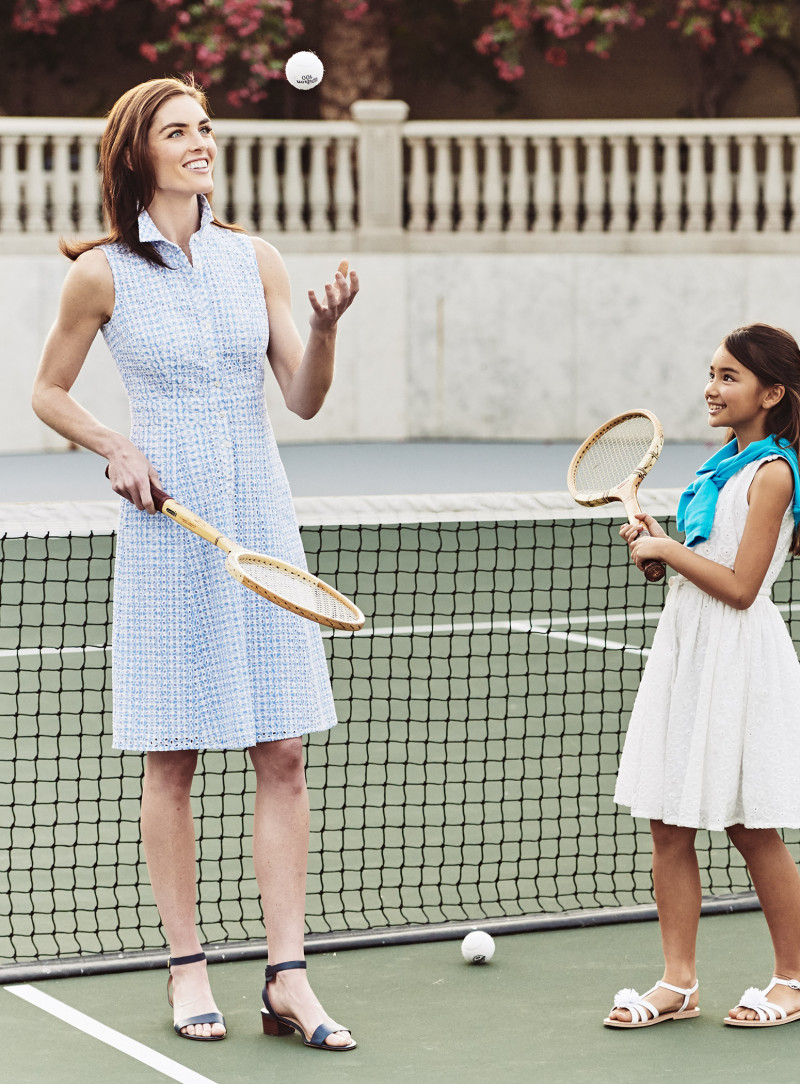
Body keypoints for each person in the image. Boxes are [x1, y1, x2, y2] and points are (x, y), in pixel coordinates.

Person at [31, 76, 358, 1051]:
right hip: (170, 535)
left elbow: (300, 396)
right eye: (179, 131)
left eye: (205, 127)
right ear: (138, 153)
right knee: (172, 757)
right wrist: (114, 446)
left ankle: (287, 976)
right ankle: (187, 968)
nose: (201, 142)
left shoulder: (252, 257)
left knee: (284, 752)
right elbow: (47, 392)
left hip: (259, 523)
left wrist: (327, 330)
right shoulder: (98, 274)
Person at [604, 323, 800, 1029]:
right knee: (667, 822)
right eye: (712, 373)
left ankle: (794, 979)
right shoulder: (722, 465)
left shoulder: (773, 472)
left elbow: (743, 586)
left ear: (772, 393)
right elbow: (698, 561)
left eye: (729, 377)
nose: (711, 388)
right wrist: (658, 549)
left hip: (740, 654)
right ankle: (678, 984)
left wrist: (666, 551)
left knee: (752, 827)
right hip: (686, 646)